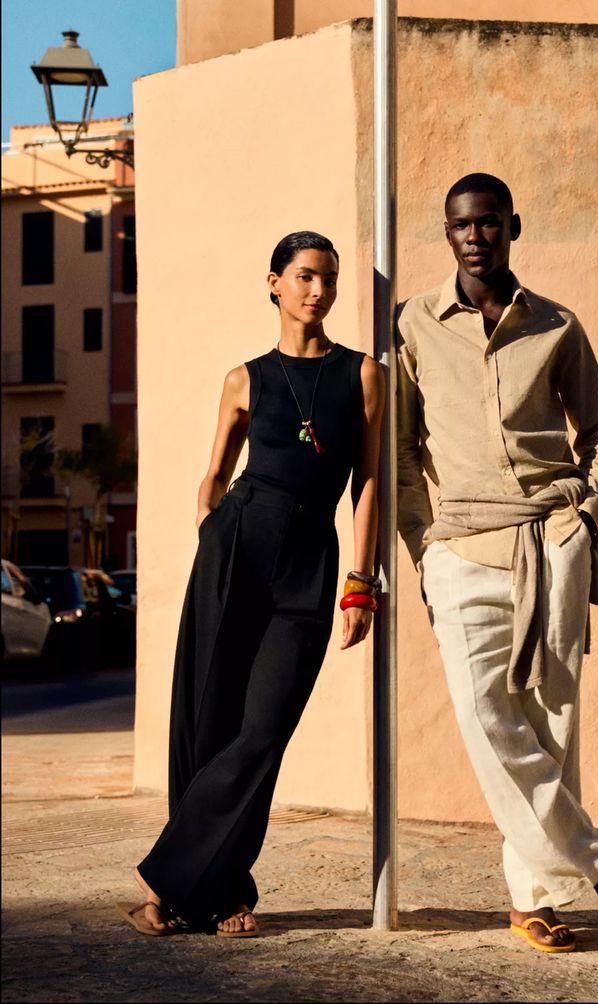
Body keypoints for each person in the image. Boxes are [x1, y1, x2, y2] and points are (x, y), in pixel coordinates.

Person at [397, 174, 598, 953]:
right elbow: (403, 449)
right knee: (485, 717)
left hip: (551, 541)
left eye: (489, 223)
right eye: (462, 225)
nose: (476, 235)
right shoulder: (416, 325)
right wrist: (421, 545)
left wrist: (587, 518)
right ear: (448, 234)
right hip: (462, 547)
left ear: (513, 225)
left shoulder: (557, 325)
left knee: (552, 723)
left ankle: (532, 898)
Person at [118, 231, 384, 937]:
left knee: (264, 728)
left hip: (309, 566)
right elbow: (215, 467)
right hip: (236, 547)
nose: (317, 290)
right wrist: (210, 527)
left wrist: (362, 581)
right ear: (273, 282)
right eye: (303, 276)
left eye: (327, 278)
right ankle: (220, 893)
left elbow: (368, 483)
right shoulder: (246, 378)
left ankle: (163, 873)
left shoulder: (362, 375)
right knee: (209, 723)